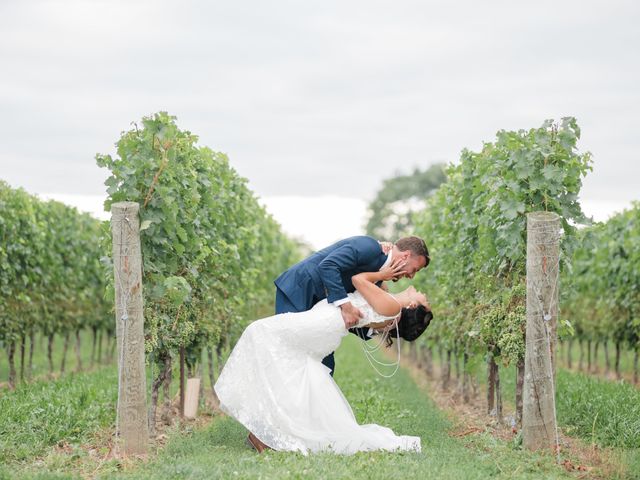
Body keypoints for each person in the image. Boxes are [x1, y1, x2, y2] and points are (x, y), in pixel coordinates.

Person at [214, 258, 433, 455]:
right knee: (291, 369)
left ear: (413, 305)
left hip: (325, 322)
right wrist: (384, 262)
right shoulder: (389, 302)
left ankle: (265, 431)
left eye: (425, 300)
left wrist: (381, 274)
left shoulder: (392, 306)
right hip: (326, 322)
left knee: (260, 333)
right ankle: (266, 433)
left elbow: (359, 279)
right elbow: (374, 289)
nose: (422, 292)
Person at [273, 235, 430, 375]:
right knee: (290, 353)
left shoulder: (379, 280)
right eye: (414, 269)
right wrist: (346, 307)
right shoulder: (369, 246)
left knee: (324, 366)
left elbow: (360, 312)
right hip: (299, 290)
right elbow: (328, 265)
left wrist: (382, 326)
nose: (411, 276)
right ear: (405, 256)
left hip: (321, 310)